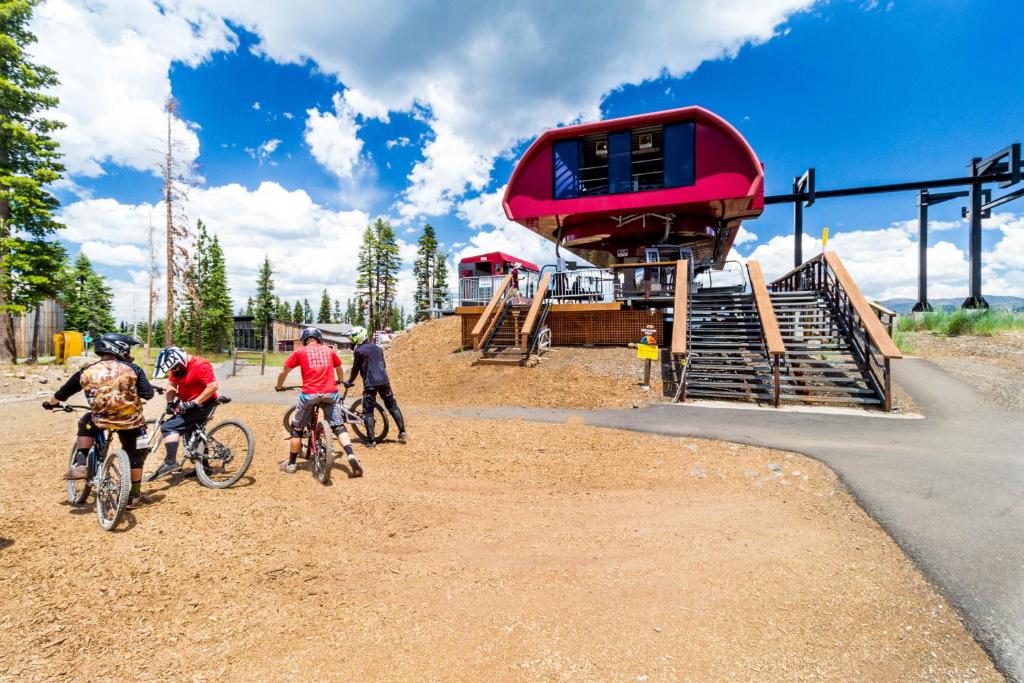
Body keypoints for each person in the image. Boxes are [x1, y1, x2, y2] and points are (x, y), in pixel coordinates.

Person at [43, 333, 155, 507]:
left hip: (100, 419)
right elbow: (148, 393)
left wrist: (52, 404)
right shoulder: (133, 369)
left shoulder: (86, 371)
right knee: (136, 456)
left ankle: (81, 463)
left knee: (86, 422)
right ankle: (133, 496)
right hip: (130, 422)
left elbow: (63, 393)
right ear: (119, 347)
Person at [275, 327, 363, 477]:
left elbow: (284, 370)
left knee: (297, 429)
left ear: (304, 340)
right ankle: (352, 459)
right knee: (339, 426)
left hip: (309, 394)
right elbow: (339, 368)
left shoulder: (300, 352)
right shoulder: (329, 351)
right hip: (330, 392)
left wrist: (279, 386)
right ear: (319, 338)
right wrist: (340, 380)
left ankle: (291, 464)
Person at [148, 346, 219, 480]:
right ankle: (204, 468)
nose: (173, 371)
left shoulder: (200, 365)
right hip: (188, 403)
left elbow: (213, 386)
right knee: (192, 431)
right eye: (171, 369)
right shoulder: (176, 366)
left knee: (169, 426)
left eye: (175, 367)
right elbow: (171, 385)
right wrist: (170, 402)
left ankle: (170, 463)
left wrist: (194, 402)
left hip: (204, 402)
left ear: (181, 360)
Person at [344, 325, 407, 448]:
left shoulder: (359, 350)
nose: (351, 342)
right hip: (384, 381)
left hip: (370, 383)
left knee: (368, 411)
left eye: (352, 339)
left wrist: (349, 381)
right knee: (392, 405)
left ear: (359, 338)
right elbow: (383, 364)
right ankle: (402, 432)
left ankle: (371, 441)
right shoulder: (378, 348)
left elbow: (355, 369)